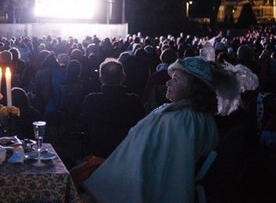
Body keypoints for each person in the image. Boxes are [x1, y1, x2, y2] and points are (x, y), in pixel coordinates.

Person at [83, 57, 241, 202]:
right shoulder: (191, 115)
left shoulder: (182, 121)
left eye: (176, 80)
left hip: (136, 179)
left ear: (193, 89)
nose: (168, 83)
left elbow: (167, 166)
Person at [80, 58, 144, 159]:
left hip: (98, 153)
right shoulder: (134, 100)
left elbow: (84, 127)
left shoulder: (91, 100)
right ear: (123, 77)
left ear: (101, 78)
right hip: (127, 153)